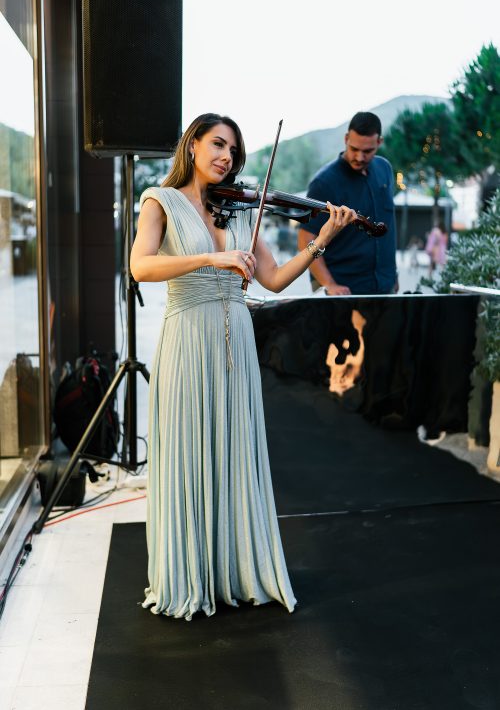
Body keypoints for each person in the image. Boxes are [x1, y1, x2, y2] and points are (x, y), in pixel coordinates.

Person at [130, 113, 357, 620]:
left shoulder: (237, 210)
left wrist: (322, 238)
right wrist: (211, 259)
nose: (225, 157)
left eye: (232, 150)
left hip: (236, 345)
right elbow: (140, 266)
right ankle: (191, 573)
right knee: (191, 450)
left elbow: (273, 279)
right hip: (189, 340)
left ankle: (234, 570)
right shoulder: (159, 200)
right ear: (192, 145)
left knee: (233, 450)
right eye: (217, 144)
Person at [297, 112, 398, 295]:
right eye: (354, 149)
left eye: (367, 151)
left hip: (386, 285)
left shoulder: (385, 168)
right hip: (345, 289)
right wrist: (329, 284)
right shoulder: (323, 182)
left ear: (379, 142)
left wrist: (392, 275)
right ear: (346, 139)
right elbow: (305, 238)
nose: (359, 157)